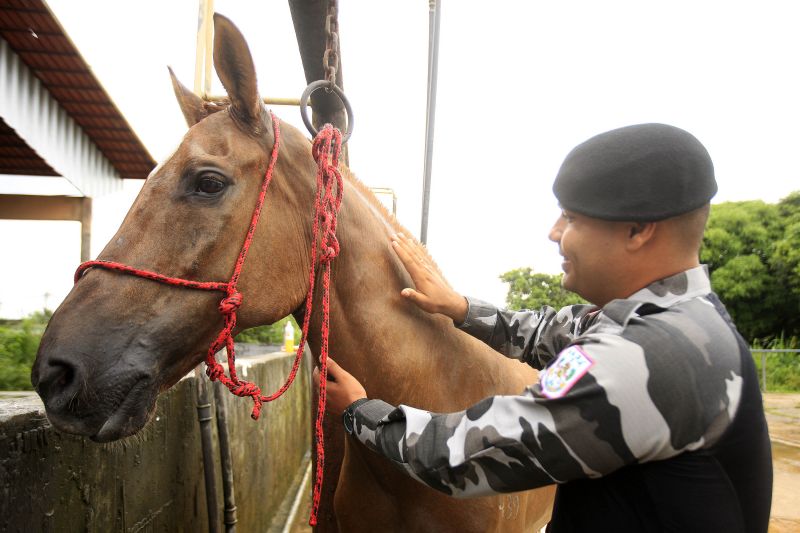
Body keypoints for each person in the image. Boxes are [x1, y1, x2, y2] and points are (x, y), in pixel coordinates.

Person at [321, 123, 773, 533]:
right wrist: (458, 307)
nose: (555, 233)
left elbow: (468, 454)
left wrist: (360, 411)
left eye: (572, 218)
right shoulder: (670, 318)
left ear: (638, 230)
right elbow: (545, 331)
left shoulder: (651, 355)